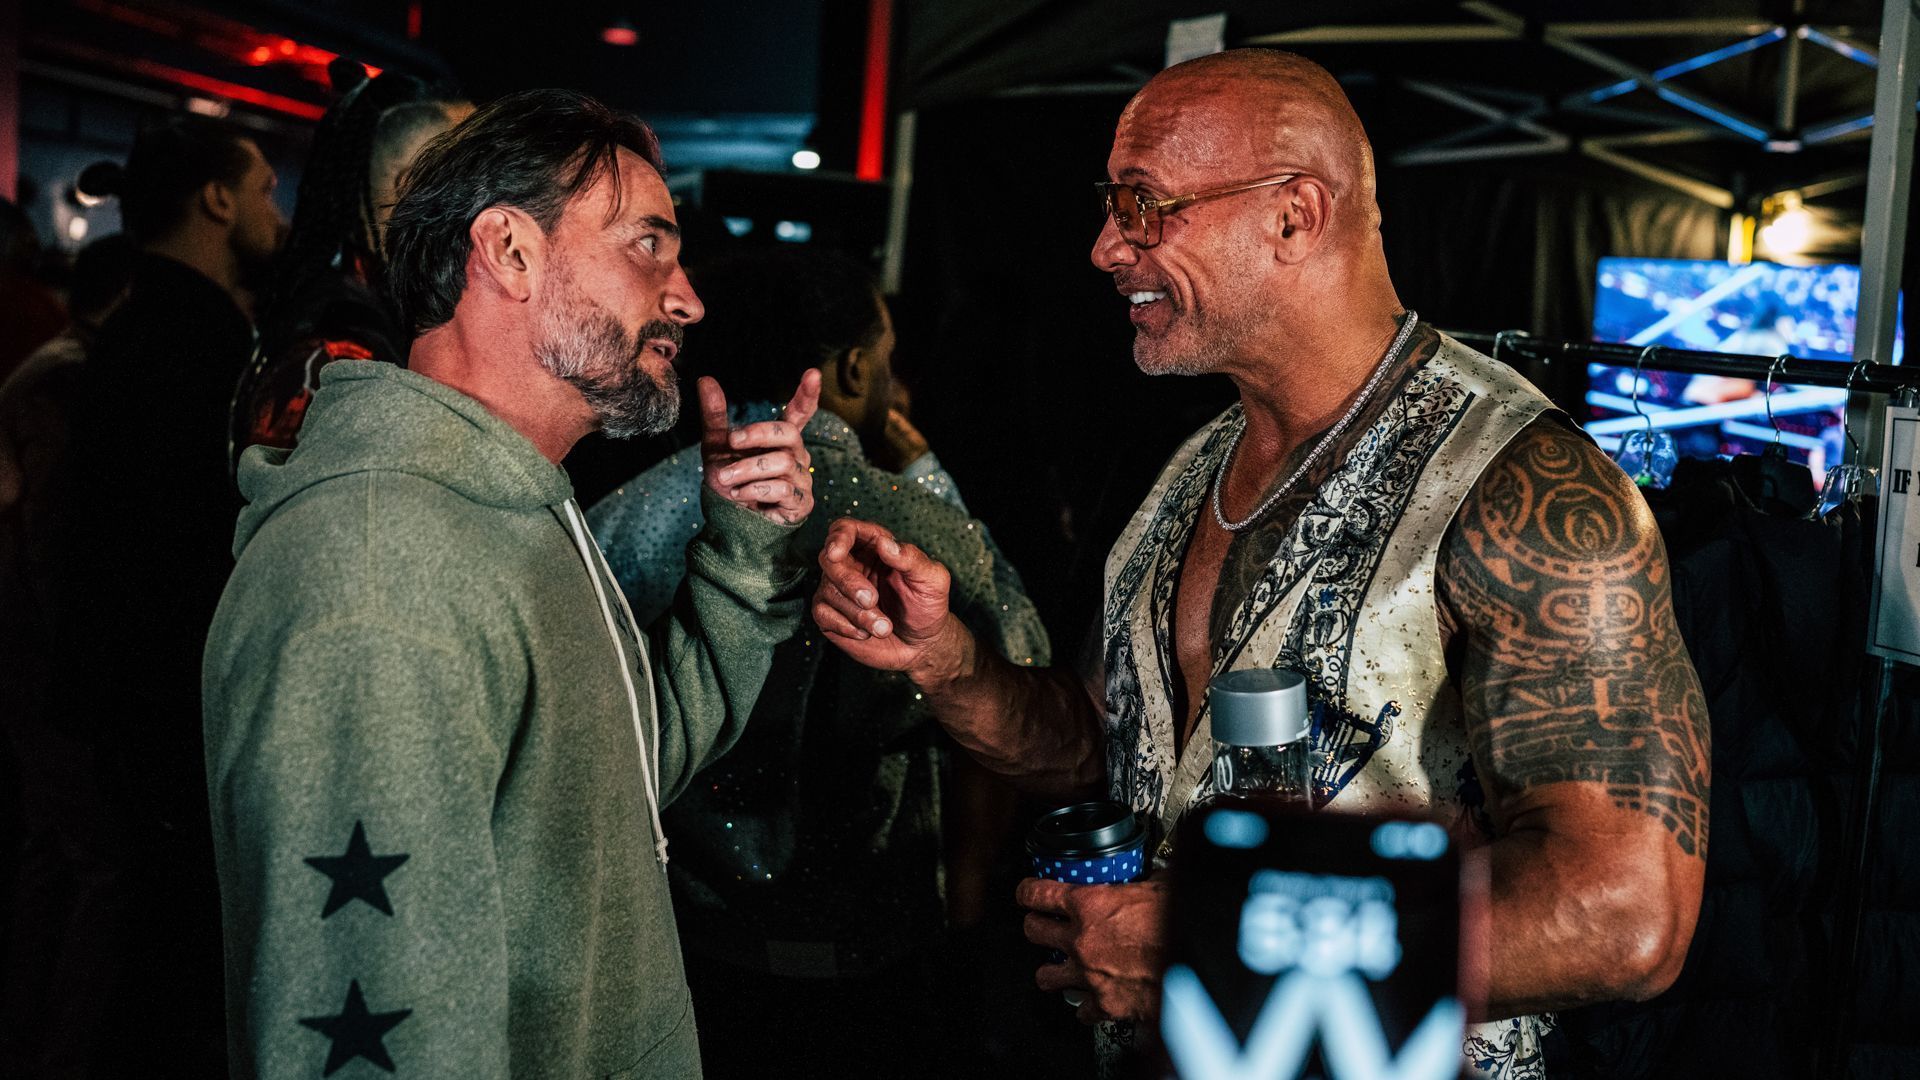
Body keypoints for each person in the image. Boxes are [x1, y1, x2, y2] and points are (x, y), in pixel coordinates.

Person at [812, 48, 1710, 1077]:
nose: (1108, 247)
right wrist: (947, 665)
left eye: (1146, 205)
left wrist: (1212, 942)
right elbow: (1106, 744)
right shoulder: (1195, 465)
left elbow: (1626, 915)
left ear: (1295, 214)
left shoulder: (1525, 489)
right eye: (1114, 206)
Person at [203, 89, 820, 1079]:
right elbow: (372, 1032)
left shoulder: (511, 505)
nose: (687, 295)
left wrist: (745, 549)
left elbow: (614, 769)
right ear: (509, 250)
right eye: (647, 244)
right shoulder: (376, 573)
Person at [587, 249, 1048, 1078]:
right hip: (874, 969)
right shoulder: (918, 521)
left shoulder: (624, 517)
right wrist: (925, 470)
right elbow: (1026, 656)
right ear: (856, 366)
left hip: (688, 964)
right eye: (889, 358)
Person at [37, 112, 286, 1073]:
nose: (275, 209)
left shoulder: (150, 320)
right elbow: (176, 548)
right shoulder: (193, 340)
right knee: (159, 949)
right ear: (217, 200)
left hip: (127, 694)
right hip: (161, 699)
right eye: (263, 187)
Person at [0, 231, 137, 1077]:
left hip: (29, 646)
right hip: (36, 648)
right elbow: (45, 530)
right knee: (91, 860)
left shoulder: (49, 365)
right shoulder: (62, 377)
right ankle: (54, 1052)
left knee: (52, 849)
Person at [231, 61, 472, 466]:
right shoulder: (338, 365)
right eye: (477, 177)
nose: (502, 201)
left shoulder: (375, 328)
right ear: (413, 189)